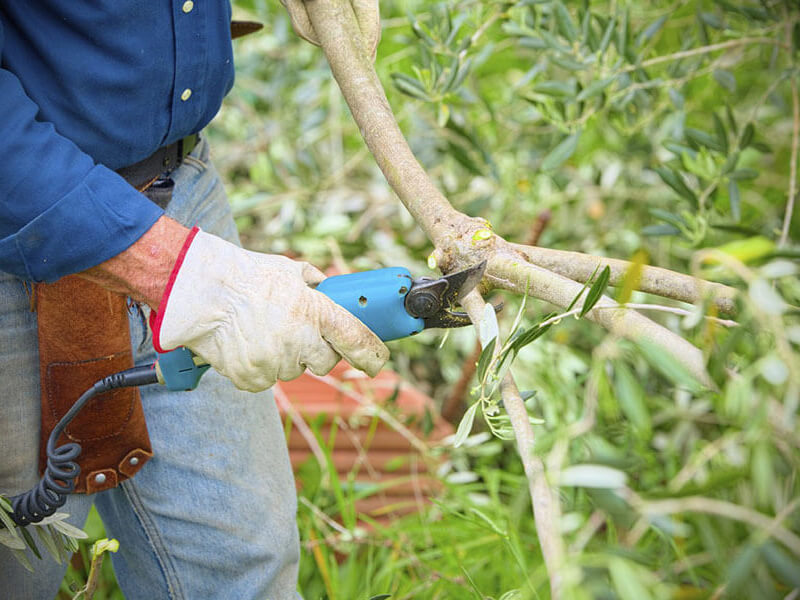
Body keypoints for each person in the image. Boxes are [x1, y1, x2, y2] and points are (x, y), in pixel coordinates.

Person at [0, 1, 384, 598]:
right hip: (13, 213)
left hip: (178, 182)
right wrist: (181, 272)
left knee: (244, 569)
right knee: (16, 571)